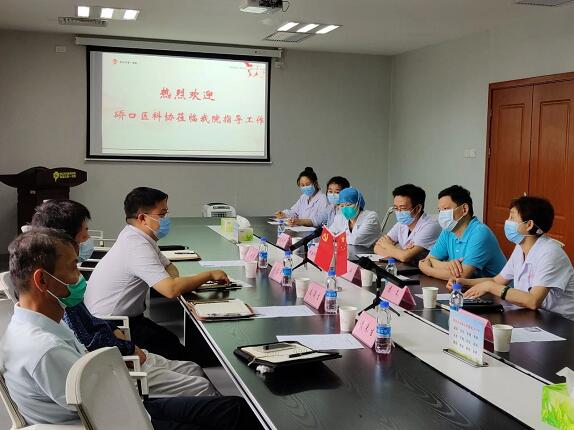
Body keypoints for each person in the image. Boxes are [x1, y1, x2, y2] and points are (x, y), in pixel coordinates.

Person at [0, 228, 259, 429]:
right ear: (42, 280)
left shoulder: (41, 324)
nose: (79, 277)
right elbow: (99, 407)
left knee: (234, 410)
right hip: (118, 421)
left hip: (127, 407)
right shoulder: (46, 349)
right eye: (72, 268)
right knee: (228, 417)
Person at [31, 199, 218, 397]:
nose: (88, 238)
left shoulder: (64, 284)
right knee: (200, 383)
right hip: (117, 362)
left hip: (116, 339)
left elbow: (88, 322)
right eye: (84, 232)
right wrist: (127, 347)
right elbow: (87, 341)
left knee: (192, 367)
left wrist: (113, 330)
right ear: (64, 240)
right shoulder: (58, 293)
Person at [84, 187, 230, 361]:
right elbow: (171, 290)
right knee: (180, 355)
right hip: (112, 327)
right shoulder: (136, 246)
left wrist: (175, 282)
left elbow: (169, 267)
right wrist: (209, 275)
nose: (166, 219)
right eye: (162, 214)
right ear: (142, 218)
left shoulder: (137, 235)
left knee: (172, 341)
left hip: (123, 318)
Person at [448, 196, 574, 320]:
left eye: (512, 217)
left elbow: (533, 301)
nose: (507, 221)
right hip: (533, 316)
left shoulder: (550, 252)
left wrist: (490, 286)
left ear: (529, 224)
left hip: (561, 322)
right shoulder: (520, 247)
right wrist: (464, 282)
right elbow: (497, 281)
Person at [419, 185, 506, 281]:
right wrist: (448, 265)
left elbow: (462, 276)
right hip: (466, 287)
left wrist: (427, 270)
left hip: (496, 289)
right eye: (439, 210)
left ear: (464, 209)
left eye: (445, 209)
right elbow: (429, 260)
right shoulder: (447, 231)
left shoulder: (480, 233)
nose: (441, 214)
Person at [374, 184, 441, 264]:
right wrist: (400, 253)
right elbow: (377, 247)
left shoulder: (431, 225)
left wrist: (388, 246)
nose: (399, 212)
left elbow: (405, 257)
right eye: (396, 208)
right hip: (407, 266)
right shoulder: (401, 224)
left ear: (418, 208)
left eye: (403, 208)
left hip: (424, 269)